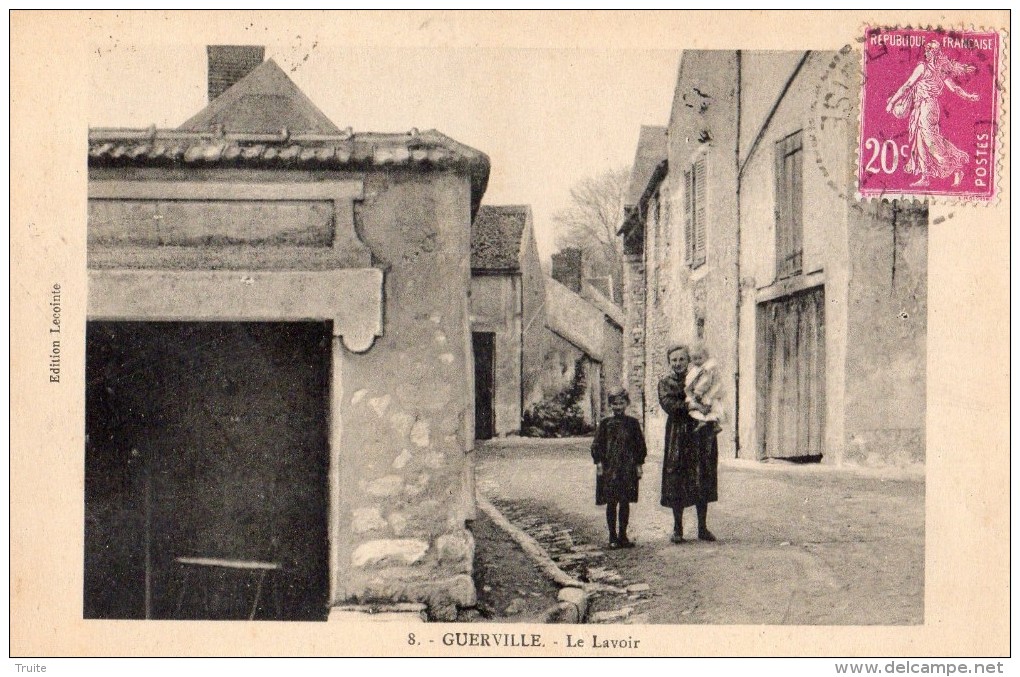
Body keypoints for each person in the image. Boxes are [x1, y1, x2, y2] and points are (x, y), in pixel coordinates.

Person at [885, 40, 979, 187]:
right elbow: (955, 89)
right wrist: (968, 96)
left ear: (934, 54)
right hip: (922, 107)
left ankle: (955, 168)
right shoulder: (939, 72)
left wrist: (892, 102)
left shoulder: (924, 68)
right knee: (920, 140)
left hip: (927, 107)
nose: (927, 53)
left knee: (930, 140)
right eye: (927, 51)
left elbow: (907, 85)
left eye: (930, 51)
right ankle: (925, 176)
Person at [659, 344, 718, 543]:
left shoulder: (699, 377)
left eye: (681, 359)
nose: (678, 364)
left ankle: (702, 527)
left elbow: (712, 395)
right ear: (669, 363)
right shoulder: (665, 383)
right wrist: (689, 405)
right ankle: (678, 529)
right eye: (674, 360)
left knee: (703, 476)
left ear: (688, 361)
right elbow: (669, 405)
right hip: (679, 435)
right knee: (678, 479)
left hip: (699, 433)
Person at [591, 387, 647, 549]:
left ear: (627, 404)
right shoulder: (605, 424)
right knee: (611, 502)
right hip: (610, 470)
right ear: (610, 405)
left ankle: (623, 535)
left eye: (621, 403)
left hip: (627, 469)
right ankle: (612, 536)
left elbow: (640, 446)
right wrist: (599, 463)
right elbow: (597, 445)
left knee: (625, 502)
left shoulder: (633, 424)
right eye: (614, 404)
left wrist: (639, 465)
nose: (618, 407)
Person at [685, 343, 724, 432]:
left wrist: (698, 392)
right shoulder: (694, 370)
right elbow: (689, 383)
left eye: (700, 358)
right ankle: (701, 421)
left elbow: (705, 383)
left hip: (705, 393)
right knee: (695, 407)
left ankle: (714, 423)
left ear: (706, 358)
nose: (698, 361)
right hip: (698, 394)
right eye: (695, 359)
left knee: (711, 407)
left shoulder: (707, 370)